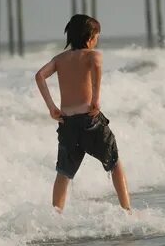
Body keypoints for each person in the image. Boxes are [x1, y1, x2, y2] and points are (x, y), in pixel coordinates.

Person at [35, 14, 131, 213]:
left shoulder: (60, 59)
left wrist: (51, 107)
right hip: (90, 121)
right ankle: (127, 210)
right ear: (89, 37)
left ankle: (56, 216)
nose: (97, 40)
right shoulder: (93, 55)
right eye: (97, 36)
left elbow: (40, 76)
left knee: (63, 173)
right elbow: (96, 68)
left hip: (67, 123)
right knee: (114, 162)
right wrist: (96, 98)